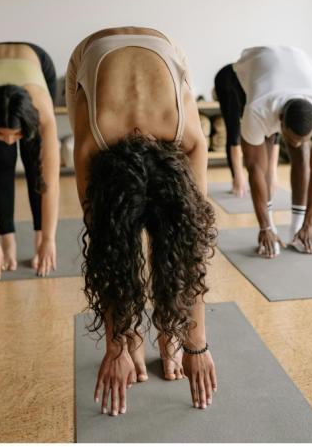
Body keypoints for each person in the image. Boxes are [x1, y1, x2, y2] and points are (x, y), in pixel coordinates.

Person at [67, 27, 218, 416]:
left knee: (177, 237)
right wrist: (117, 342)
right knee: (117, 237)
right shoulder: (91, 143)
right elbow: (106, 252)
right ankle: (134, 337)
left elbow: (192, 248)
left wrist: (194, 343)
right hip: (90, 56)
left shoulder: (189, 137)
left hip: (165, 49)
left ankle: (168, 332)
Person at [233, 45, 312, 257]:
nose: (296, 144)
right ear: (280, 120)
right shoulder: (258, 110)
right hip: (255, 64)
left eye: (303, 139)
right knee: (262, 156)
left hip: (299, 58)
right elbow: (254, 169)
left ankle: (297, 230)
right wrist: (265, 227)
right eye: (290, 138)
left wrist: (309, 224)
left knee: (301, 153)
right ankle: (270, 229)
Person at [0, 42, 60, 280]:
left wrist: (49, 239)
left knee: (35, 162)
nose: (9, 140)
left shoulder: (43, 115)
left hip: (36, 60)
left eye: (16, 134)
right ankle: (8, 242)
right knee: (1, 161)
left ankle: (39, 238)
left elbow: (51, 183)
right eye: (1, 133)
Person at [213, 63, 279, 198]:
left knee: (268, 133)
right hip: (226, 79)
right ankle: (236, 180)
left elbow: (275, 136)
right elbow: (234, 136)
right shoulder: (231, 89)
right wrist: (238, 175)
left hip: (247, 85)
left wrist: (272, 173)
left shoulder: (273, 97)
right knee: (234, 129)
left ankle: (259, 177)